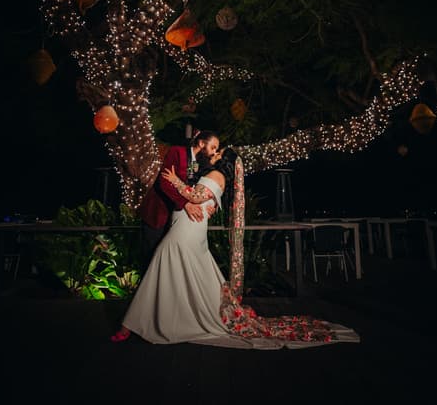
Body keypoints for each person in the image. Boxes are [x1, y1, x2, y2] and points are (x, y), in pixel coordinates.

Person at [110, 148, 360, 348]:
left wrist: (175, 181)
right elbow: (202, 199)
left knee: (161, 264)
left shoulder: (216, 176)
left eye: (218, 152)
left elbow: (196, 198)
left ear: (224, 162)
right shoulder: (215, 176)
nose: (214, 153)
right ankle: (158, 320)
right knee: (178, 270)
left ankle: (132, 325)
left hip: (186, 231)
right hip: (189, 229)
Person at [136, 130, 220, 274]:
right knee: (151, 260)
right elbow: (164, 182)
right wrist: (186, 204)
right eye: (213, 147)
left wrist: (212, 205)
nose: (214, 152)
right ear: (201, 143)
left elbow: (204, 188)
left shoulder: (202, 165)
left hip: (179, 220)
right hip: (159, 213)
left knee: (169, 262)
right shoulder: (177, 152)